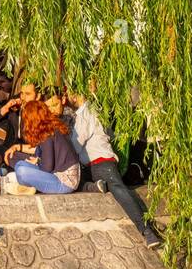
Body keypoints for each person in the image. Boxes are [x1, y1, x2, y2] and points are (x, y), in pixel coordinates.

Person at [67, 91, 162, 248]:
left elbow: (75, 146)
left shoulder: (85, 114)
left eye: (70, 93)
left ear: (76, 94)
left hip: (100, 162)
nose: (68, 97)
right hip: (95, 164)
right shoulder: (95, 110)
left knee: (119, 189)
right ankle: (96, 186)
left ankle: (147, 231)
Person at [4, 99, 81, 194]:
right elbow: (45, 154)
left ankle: (27, 186)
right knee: (19, 164)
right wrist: (36, 161)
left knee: (21, 171)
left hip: (64, 181)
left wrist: (37, 162)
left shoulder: (48, 134)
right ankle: (28, 187)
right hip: (55, 173)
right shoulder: (48, 129)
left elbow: (47, 167)